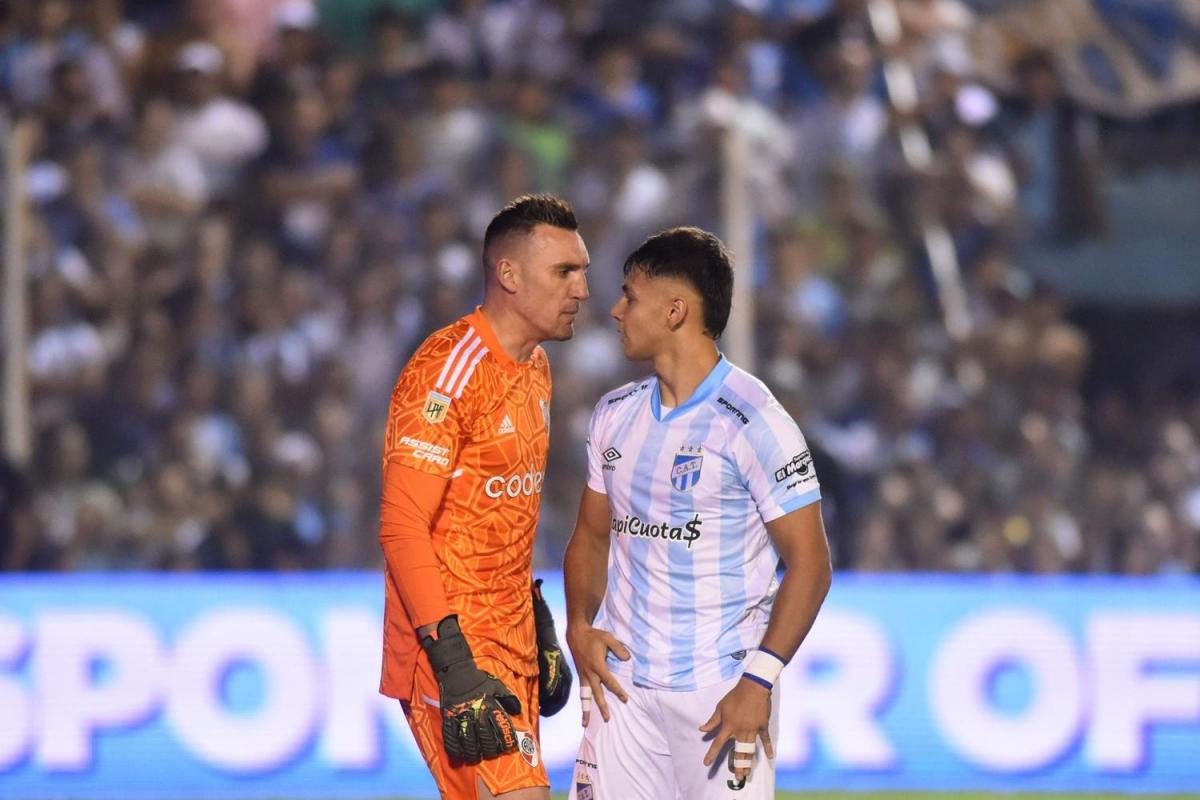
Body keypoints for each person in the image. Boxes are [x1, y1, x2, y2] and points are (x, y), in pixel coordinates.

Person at [563, 227, 832, 799]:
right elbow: (590, 536)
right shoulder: (614, 413)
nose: (615, 310)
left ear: (676, 309)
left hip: (721, 693)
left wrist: (758, 682)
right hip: (623, 693)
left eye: (631, 296)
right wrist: (580, 626)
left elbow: (810, 564)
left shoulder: (756, 421)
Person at [378, 194, 587, 800]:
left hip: (511, 640)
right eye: (565, 272)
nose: (583, 290)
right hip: (452, 648)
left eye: (583, 271)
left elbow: (498, 510)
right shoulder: (447, 369)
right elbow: (401, 526)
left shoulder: (537, 368)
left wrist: (538, 623)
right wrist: (453, 665)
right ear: (509, 274)